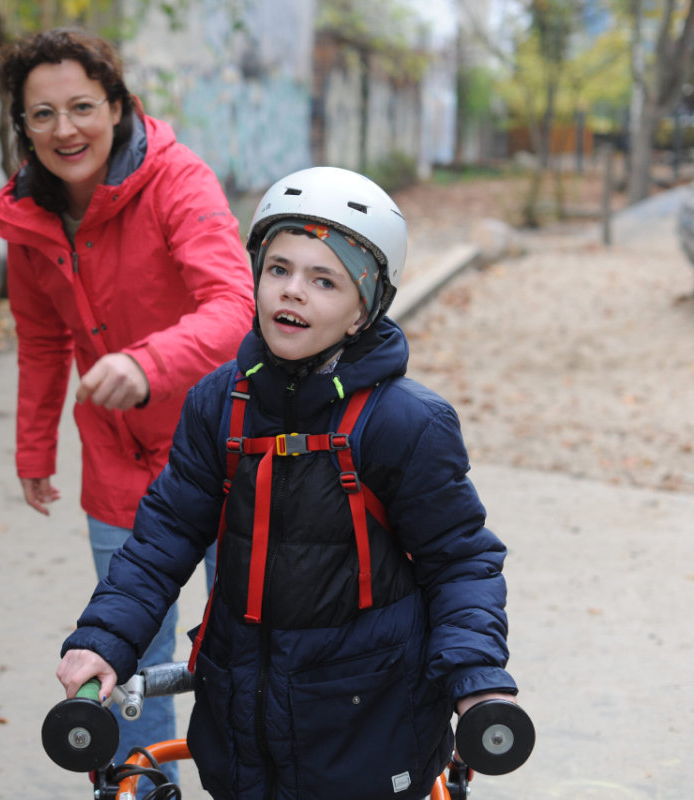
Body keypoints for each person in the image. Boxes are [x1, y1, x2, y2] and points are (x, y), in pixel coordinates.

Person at [56, 167, 520, 799]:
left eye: (323, 279)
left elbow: (460, 562)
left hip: (369, 725)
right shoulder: (219, 404)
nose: (291, 293)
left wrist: (476, 677)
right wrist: (105, 639)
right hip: (240, 715)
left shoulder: (406, 423)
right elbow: (162, 538)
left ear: (364, 309)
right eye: (278, 269)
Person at [0, 27, 255, 778]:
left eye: (81, 107)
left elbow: (236, 304)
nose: (64, 129)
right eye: (42, 115)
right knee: (128, 660)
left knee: (247, 651)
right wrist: (35, 450)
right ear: (23, 126)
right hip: (118, 462)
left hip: (226, 450)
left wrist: (149, 362)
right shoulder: (26, 216)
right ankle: (146, 791)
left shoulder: (178, 180)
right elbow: (40, 340)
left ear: (118, 104)